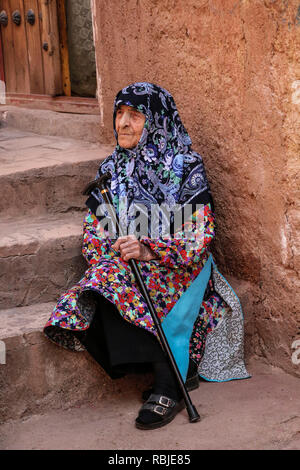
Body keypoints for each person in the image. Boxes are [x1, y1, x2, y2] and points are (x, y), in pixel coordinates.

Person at [44, 82, 250, 430]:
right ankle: (173, 370)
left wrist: (149, 250)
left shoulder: (185, 166)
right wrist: (114, 248)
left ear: (155, 122)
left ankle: (168, 385)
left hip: (179, 267)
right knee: (97, 283)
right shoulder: (111, 170)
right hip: (126, 266)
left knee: (115, 281)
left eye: (135, 115)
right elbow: (95, 231)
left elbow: (200, 234)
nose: (122, 123)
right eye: (119, 114)